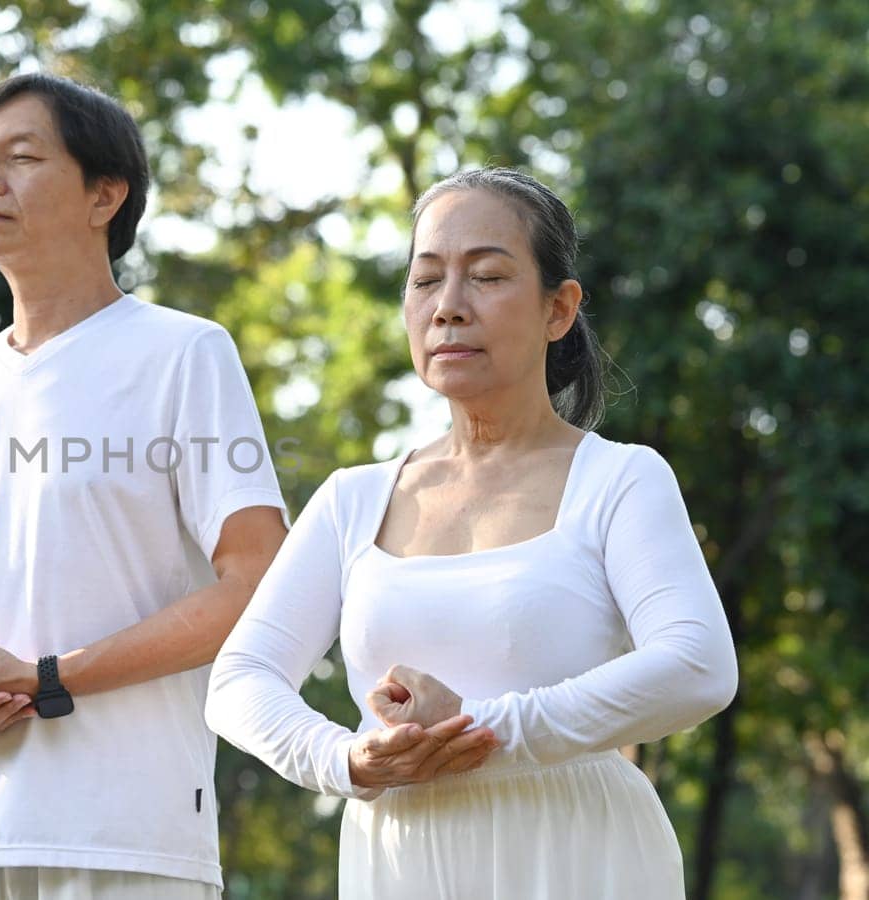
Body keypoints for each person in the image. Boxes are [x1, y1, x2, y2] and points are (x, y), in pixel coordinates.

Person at [205, 167, 739, 898]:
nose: (449, 307)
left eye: (486, 276)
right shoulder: (351, 499)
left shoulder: (620, 480)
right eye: (426, 281)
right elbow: (239, 679)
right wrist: (347, 759)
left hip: (578, 857)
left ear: (559, 309)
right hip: (400, 863)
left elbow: (699, 664)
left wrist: (480, 729)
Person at [0, 72, 301, 899]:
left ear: (106, 196)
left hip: (129, 836)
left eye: (22, 157)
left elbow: (256, 581)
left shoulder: (185, 355)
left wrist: (47, 676)